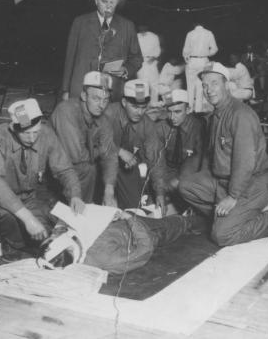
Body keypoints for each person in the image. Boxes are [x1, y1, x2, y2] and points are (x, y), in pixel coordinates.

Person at [178, 62, 268, 247]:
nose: (208, 90)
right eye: (204, 85)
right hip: (223, 181)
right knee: (186, 186)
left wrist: (233, 197)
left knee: (222, 235)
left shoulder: (240, 115)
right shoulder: (216, 115)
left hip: (252, 184)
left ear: (226, 84)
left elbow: (245, 162)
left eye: (214, 83)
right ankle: (226, 216)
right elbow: (210, 156)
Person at [0, 99, 85, 262]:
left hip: (27, 198)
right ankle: (0, 238)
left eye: (35, 132)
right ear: (13, 128)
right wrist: (28, 218)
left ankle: (7, 235)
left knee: (44, 235)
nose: (32, 138)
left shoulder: (46, 134)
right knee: (11, 225)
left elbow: (64, 169)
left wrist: (75, 194)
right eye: (26, 133)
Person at [41, 210, 197, 274]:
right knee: (173, 224)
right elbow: (145, 247)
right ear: (69, 249)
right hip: (142, 229)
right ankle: (189, 219)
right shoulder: (106, 259)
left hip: (116, 218)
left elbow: (63, 222)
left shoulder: (70, 243)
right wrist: (130, 220)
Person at [61, 0, 143, 102]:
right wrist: (66, 90)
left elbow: (137, 58)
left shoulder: (127, 26)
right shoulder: (80, 23)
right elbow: (70, 58)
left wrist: (126, 70)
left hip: (112, 92)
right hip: (81, 89)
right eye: (104, 2)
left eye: (112, 2)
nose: (108, 7)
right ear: (96, 1)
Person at [50, 71, 118, 206]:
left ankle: (82, 209)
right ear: (83, 96)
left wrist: (109, 190)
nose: (101, 105)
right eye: (96, 99)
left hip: (77, 168)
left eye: (105, 100)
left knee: (90, 168)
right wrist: (100, 150)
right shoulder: (66, 110)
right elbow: (76, 156)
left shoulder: (103, 119)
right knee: (87, 168)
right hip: (51, 169)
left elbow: (110, 155)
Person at [104, 79, 167, 214]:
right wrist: (119, 151)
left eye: (144, 107)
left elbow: (156, 160)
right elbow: (93, 143)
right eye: (135, 107)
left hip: (124, 168)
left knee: (132, 208)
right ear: (124, 102)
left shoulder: (148, 125)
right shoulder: (108, 113)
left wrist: (160, 193)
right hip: (99, 163)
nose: (140, 112)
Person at [157, 89, 205, 192]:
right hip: (168, 170)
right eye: (169, 112)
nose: (172, 117)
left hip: (190, 172)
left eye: (177, 112)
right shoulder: (161, 127)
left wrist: (179, 178)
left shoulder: (199, 127)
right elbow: (158, 159)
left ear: (188, 109)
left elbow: (198, 159)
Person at [182, 22, 218, 113]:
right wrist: (206, 54)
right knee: (200, 86)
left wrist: (187, 58)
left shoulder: (190, 34)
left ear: (194, 25)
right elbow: (215, 49)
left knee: (190, 86)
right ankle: (198, 110)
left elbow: (185, 50)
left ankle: (189, 109)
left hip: (192, 60)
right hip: (203, 61)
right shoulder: (208, 33)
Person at [136, 26, 162, 105]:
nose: (142, 28)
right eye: (140, 27)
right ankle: (140, 104)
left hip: (151, 63)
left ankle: (154, 104)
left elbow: (158, 50)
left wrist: (154, 57)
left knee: (154, 85)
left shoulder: (153, 36)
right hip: (140, 63)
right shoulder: (136, 36)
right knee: (140, 85)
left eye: (143, 26)